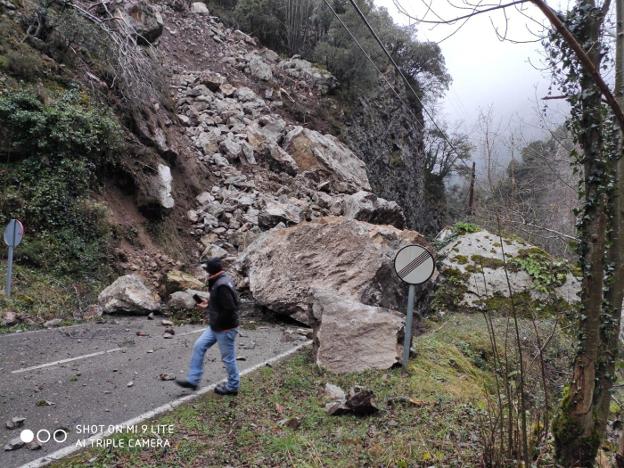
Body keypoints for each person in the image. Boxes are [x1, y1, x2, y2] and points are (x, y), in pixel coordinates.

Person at [176, 257, 240, 395]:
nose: (205, 272)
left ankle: (233, 386)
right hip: (216, 326)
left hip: (225, 328)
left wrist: (219, 322)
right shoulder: (219, 280)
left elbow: (230, 308)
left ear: (211, 270)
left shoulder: (222, 285)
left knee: (228, 359)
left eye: (206, 269)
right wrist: (208, 304)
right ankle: (193, 380)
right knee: (199, 346)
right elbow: (220, 303)